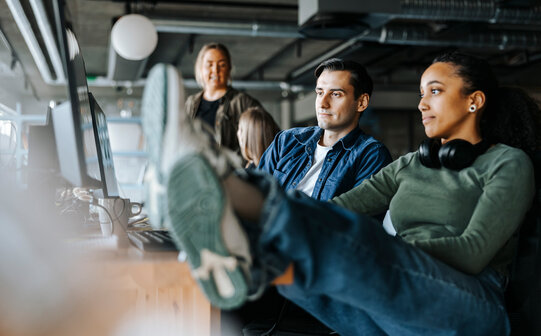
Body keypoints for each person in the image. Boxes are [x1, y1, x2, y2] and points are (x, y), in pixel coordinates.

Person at [142, 52, 540, 335]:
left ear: (475, 101)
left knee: (357, 243)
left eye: (433, 91)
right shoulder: (410, 165)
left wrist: (390, 248)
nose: (421, 104)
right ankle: (238, 238)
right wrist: (311, 232)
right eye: (421, 92)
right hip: (391, 304)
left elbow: (473, 253)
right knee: (299, 265)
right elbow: (335, 211)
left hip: (468, 305)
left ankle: (225, 189)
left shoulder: (508, 163)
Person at [259, 58, 392, 201]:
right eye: (320, 93)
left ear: (361, 102)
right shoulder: (286, 141)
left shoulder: (371, 155)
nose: (322, 104)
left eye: (336, 94)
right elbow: (254, 195)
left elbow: (354, 220)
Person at [186, 42, 262, 153]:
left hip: (230, 169)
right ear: (200, 68)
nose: (215, 70)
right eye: (209, 64)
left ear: (229, 69)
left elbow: (266, 135)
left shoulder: (243, 102)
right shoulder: (190, 103)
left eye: (222, 65)